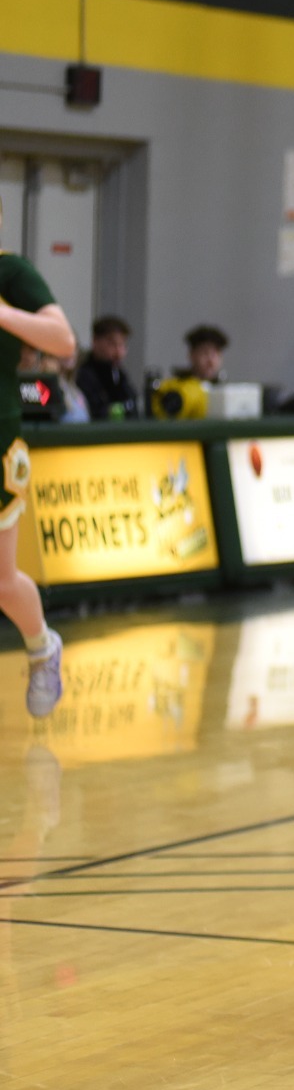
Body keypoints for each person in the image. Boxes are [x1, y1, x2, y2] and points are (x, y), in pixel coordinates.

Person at [0, 211, 78, 717]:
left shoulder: (12, 273)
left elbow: (64, 343)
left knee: (2, 581)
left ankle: (42, 646)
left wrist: (2, 314)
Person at [75, 315, 139, 420]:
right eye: (112, 344)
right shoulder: (83, 374)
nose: (119, 352)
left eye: (123, 345)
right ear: (95, 342)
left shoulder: (119, 374)